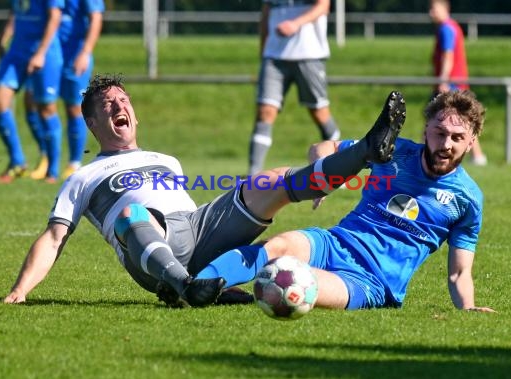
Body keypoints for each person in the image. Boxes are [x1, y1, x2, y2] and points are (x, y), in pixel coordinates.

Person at [3, 74, 406, 307]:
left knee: (273, 179)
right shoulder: (83, 176)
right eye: (107, 105)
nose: (117, 107)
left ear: (135, 115)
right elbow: (54, 238)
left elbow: (190, 217)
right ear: (92, 124)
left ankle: (365, 152)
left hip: (195, 226)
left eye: (123, 100)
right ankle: (184, 286)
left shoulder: (166, 159)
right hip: (148, 252)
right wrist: (20, 291)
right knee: (131, 215)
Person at [195, 90, 495, 313]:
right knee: (278, 246)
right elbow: (322, 147)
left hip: (371, 281)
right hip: (334, 243)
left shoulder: (466, 198)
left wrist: (468, 309)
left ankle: (216, 284)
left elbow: (459, 272)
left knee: (296, 278)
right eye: (439, 133)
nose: (445, 144)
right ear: (426, 131)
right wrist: (324, 180)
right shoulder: (390, 151)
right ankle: (192, 285)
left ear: (472, 141)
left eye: (457, 137)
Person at [248, 0, 340, 175]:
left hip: (309, 55)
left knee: (319, 113)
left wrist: (296, 23)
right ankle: (253, 175)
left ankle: (338, 168)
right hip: (273, 57)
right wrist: (263, 51)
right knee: (265, 111)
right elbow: (266, 15)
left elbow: (323, 6)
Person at [28, 0, 105, 181]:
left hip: (74, 55)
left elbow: (96, 18)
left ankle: (74, 163)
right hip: (49, 53)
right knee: (42, 105)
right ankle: (48, 162)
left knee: (74, 107)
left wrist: (85, 52)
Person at [0, 0, 64, 184]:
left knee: (45, 108)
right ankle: (18, 161)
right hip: (17, 52)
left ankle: (53, 171)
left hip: (44, 52)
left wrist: (40, 53)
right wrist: (3, 37)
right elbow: (16, 12)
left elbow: (55, 17)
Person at [429, 0, 487, 166]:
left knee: (435, 119)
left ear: (444, 9)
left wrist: (443, 79)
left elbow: (448, 54)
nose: (431, 13)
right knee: (463, 120)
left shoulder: (446, 29)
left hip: (450, 84)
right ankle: (478, 157)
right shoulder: (452, 27)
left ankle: (427, 153)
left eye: (433, 9)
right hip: (455, 82)